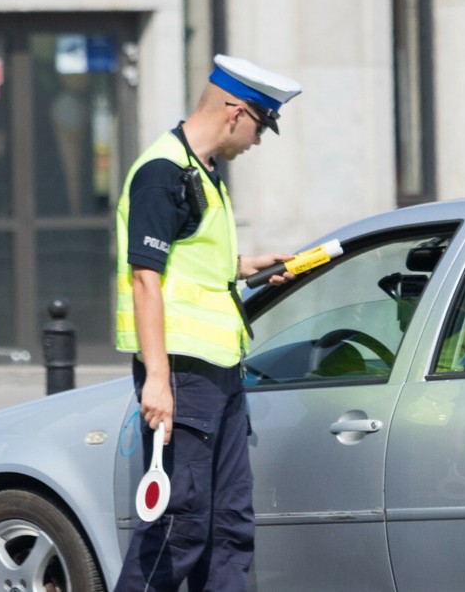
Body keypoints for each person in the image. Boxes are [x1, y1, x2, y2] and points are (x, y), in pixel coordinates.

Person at [114, 54, 301, 591]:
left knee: (229, 527)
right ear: (234, 112)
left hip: (219, 371)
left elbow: (184, 263)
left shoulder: (202, 174)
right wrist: (156, 378)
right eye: (260, 127)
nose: (258, 141)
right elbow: (145, 279)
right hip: (181, 372)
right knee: (181, 525)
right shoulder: (161, 173)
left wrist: (245, 267)